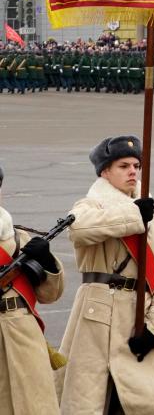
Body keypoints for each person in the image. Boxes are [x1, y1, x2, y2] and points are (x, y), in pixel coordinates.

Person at [58, 136, 154, 415]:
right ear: (105, 171)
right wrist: (132, 216)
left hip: (140, 316)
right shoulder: (90, 205)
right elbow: (77, 230)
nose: (133, 172)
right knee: (90, 403)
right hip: (96, 317)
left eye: (136, 165)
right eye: (123, 165)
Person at [0, 162, 65, 413]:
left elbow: (51, 294)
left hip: (23, 332)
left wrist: (47, 261)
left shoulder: (18, 238)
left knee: (35, 405)